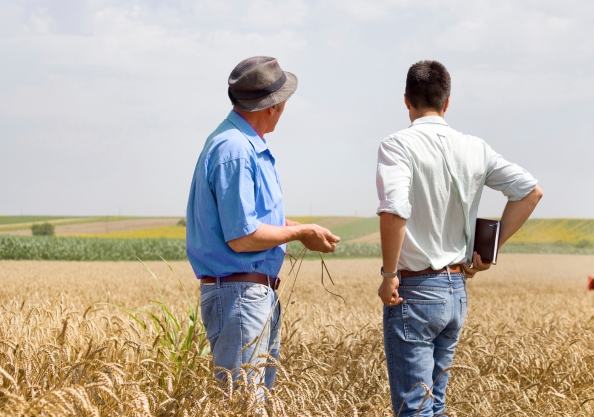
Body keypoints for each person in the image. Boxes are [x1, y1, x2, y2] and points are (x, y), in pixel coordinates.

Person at [375, 60, 544, 417]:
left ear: (406, 100)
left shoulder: (397, 145)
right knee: (435, 407)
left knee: (414, 410)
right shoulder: (475, 148)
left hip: (416, 291)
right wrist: (488, 250)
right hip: (456, 292)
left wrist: (389, 275)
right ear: (447, 103)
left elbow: (393, 210)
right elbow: (530, 192)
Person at [186, 56, 340, 393]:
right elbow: (242, 237)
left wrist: (292, 227)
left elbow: (248, 220)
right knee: (244, 403)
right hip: (240, 295)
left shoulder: (238, 144)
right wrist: (300, 232)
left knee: (254, 401)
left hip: (246, 294)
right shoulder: (237, 150)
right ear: (273, 106)